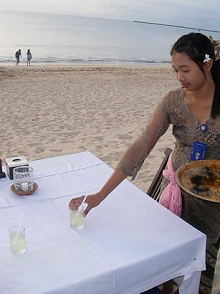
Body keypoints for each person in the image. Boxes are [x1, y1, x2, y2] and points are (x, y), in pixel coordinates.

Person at [69, 32, 220, 294]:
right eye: (175, 70)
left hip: (214, 203)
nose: (179, 78)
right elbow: (141, 145)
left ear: (206, 64)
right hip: (175, 194)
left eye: (185, 70)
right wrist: (99, 196)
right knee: (165, 265)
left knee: (201, 265)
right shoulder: (173, 101)